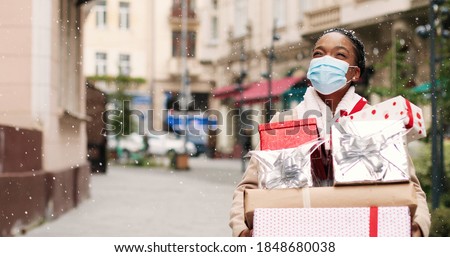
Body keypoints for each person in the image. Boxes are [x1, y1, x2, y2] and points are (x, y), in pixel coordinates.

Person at [229, 28, 431, 237]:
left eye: (340, 55)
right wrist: (242, 231)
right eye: (318, 53)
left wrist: (418, 228)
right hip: (297, 236)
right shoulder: (285, 122)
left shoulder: (375, 122)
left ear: (355, 73)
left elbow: (411, 187)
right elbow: (248, 187)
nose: (325, 60)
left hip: (360, 236)